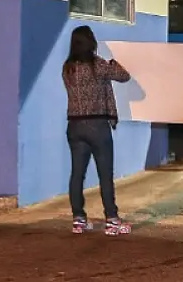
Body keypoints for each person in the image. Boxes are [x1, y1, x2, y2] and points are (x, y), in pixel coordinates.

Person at [62, 26, 132, 236]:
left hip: (74, 126)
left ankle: (79, 220)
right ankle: (111, 219)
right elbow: (124, 76)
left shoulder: (68, 68)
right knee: (105, 174)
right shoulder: (98, 65)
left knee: (77, 174)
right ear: (91, 42)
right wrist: (112, 61)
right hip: (97, 126)